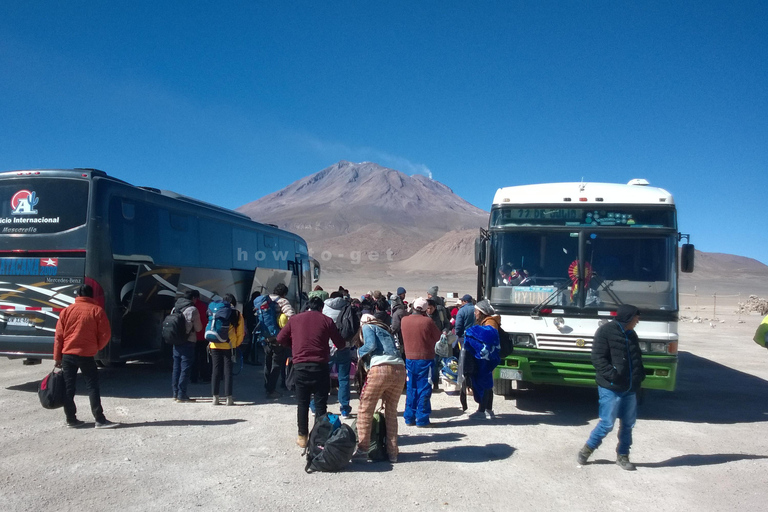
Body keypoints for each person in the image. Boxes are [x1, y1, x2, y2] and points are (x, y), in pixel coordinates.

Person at [577, 304, 645, 471]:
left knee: (628, 424)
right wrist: (613, 375)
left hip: (629, 388)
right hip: (611, 387)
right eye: (636, 318)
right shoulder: (606, 331)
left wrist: (639, 377)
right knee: (607, 423)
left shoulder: (632, 334)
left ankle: (623, 456)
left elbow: (637, 358)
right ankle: (587, 450)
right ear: (628, 318)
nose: (638, 321)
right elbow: (598, 358)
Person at [277, 296, 346, 448]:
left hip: (300, 367)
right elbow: (340, 343)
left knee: (302, 403)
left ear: (308, 306)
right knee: (321, 404)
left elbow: (280, 338)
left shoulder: (295, 319)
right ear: (321, 308)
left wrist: (294, 346)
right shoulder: (326, 320)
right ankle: (318, 438)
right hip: (320, 366)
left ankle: (302, 437)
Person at [53, 284, 118, 428]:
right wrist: (96, 347)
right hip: (86, 355)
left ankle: (71, 419)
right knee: (92, 386)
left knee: (69, 388)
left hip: (68, 355)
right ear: (91, 296)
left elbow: (59, 336)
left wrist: (57, 357)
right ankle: (99, 419)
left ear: (77, 296)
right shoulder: (97, 310)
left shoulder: (66, 311)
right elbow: (105, 334)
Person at [355, 314, 406, 462]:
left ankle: (362, 450)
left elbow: (371, 345)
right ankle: (393, 453)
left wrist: (358, 352)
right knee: (391, 412)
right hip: (400, 369)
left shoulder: (367, 326)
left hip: (380, 369)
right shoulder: (386, 330)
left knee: (366, 409)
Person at [400, 297, 441, 427]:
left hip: (409, 358)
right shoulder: (427, 321)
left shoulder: (404, 320)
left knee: (411, 388)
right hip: (425, 359)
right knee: (424, 388)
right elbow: (438, 337)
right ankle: (422, 419)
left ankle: (409, 417)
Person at [464, 302, 502, 419]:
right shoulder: (490, 321)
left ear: (481, 313)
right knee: (488, 383)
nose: (474, 314)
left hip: (486, 359)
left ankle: (482, 411)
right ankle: (488, 409)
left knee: (484, 383)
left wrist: (471, 332)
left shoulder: (490, 322)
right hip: (488, 358)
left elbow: (488, 335)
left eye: (476, 312)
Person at [208, 294, 245, 406]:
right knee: (228, 371)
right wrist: (236, 344)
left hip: (214, 344)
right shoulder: (237, 313)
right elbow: (240, 332)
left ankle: (215, 398)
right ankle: (229, 398)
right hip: (228, 345)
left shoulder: (215, 311)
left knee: (216, 370)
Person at [323, 291, 355, 418]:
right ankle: (345, 409)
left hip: (328, 346)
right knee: (343, 378)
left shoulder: (324, 308)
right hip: (343, 346)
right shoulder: (347, 307)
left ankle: (317, 405)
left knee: (323, 376)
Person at [264, 283, 295, 398]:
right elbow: (291, 316)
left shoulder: (265, 299)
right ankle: (271, 390)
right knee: (276, 363)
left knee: (267, 363)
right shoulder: (283, 301)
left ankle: (267, 386)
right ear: (284, 293)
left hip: (265, 336)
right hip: (278, 337)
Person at [171, 290, 203, 402]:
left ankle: (175, 393)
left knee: (176, 367)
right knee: (185, 368)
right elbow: (199, 328)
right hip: (188, 342)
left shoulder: (175, 307)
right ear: (193, 298)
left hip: (176, 341)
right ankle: (182, 394)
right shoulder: (193, 309)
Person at [190, 290, 211, 383]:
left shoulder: (191, 307)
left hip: (193, 336)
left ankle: (193, 378)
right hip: (203, 335)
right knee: (204, 358)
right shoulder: (204, 306)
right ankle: (205, 376)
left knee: (193, 358)